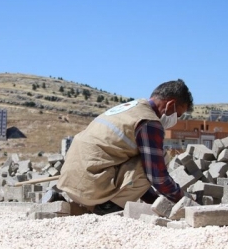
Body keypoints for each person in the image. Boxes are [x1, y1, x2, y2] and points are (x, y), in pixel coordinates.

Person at [53, 79, 193, 215]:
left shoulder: (131, 108)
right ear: (170, 104)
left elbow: (137, 179)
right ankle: (107, 208)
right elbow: (157, 176)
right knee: (160, 157)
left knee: (145, 158)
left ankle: (91, 204)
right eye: (178, 115)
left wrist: (157, 202)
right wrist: (185, 202)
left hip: (70, 183)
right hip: (90, 187)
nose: (176, 120)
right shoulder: (149, 122)